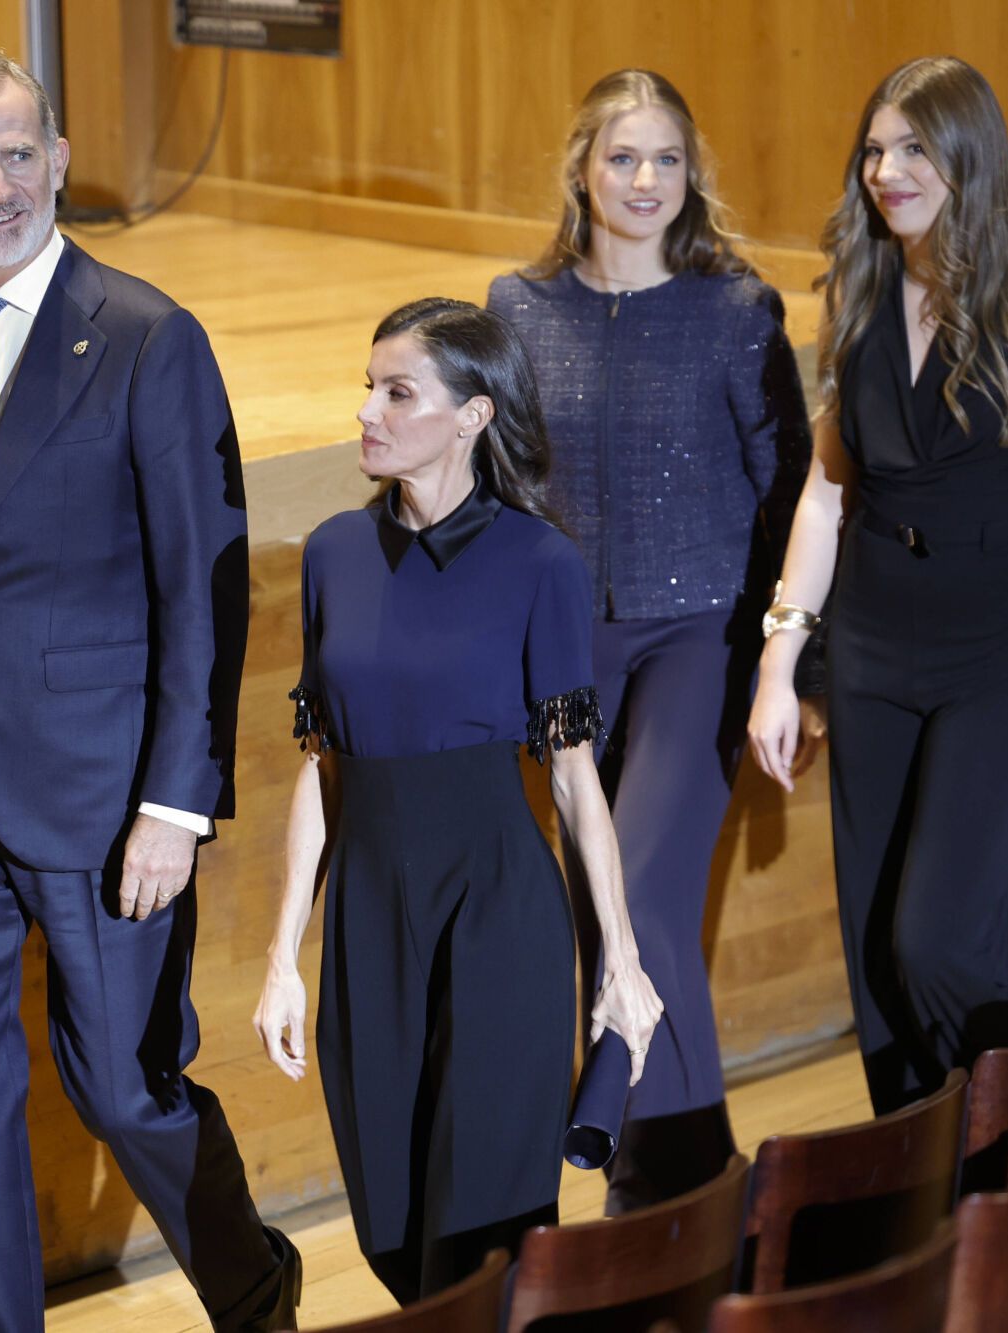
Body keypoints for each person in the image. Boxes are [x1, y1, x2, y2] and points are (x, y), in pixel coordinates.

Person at [0, 52, 298, 1332]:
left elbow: (201, 588)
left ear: (60, 159)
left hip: (103, 802)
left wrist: (176, 804)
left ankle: (254, 1290)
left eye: (17, 155)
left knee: (125, 1089)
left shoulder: (148, 336)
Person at [747, 56, 1008, 1114]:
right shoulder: (862, 288)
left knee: (937, 940)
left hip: (1005, 647)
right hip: (875, 644)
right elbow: (825, 494)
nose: (885, 171)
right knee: (878, 961)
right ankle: (932, 1190)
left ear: (970, 154)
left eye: (913, 148)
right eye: (875, 151)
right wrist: (781, 662)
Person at [251, 298, 665, 1304]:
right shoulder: (331, 554)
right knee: (393, 1231)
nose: (368, 412)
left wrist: (619, 957)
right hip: (367, 924)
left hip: (496, 911)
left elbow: (574, 779)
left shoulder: (539, 563)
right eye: (368, 389)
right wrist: (280, 957)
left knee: (484, 1235)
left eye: (399, 393)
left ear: (474, 415)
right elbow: (321, 765)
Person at [485, 69, 813, 1212]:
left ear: (691, 175)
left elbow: (790, 492)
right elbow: (501, 481)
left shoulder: (733, 311)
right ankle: (681, 1181)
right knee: (596, 907)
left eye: (665, 160)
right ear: (580, 169)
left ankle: (670, 1188)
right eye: (621, 158)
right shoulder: (518, 309)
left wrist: (796, 666)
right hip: (568, 645)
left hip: (698, 638)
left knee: (641, 894)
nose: (643, 180)